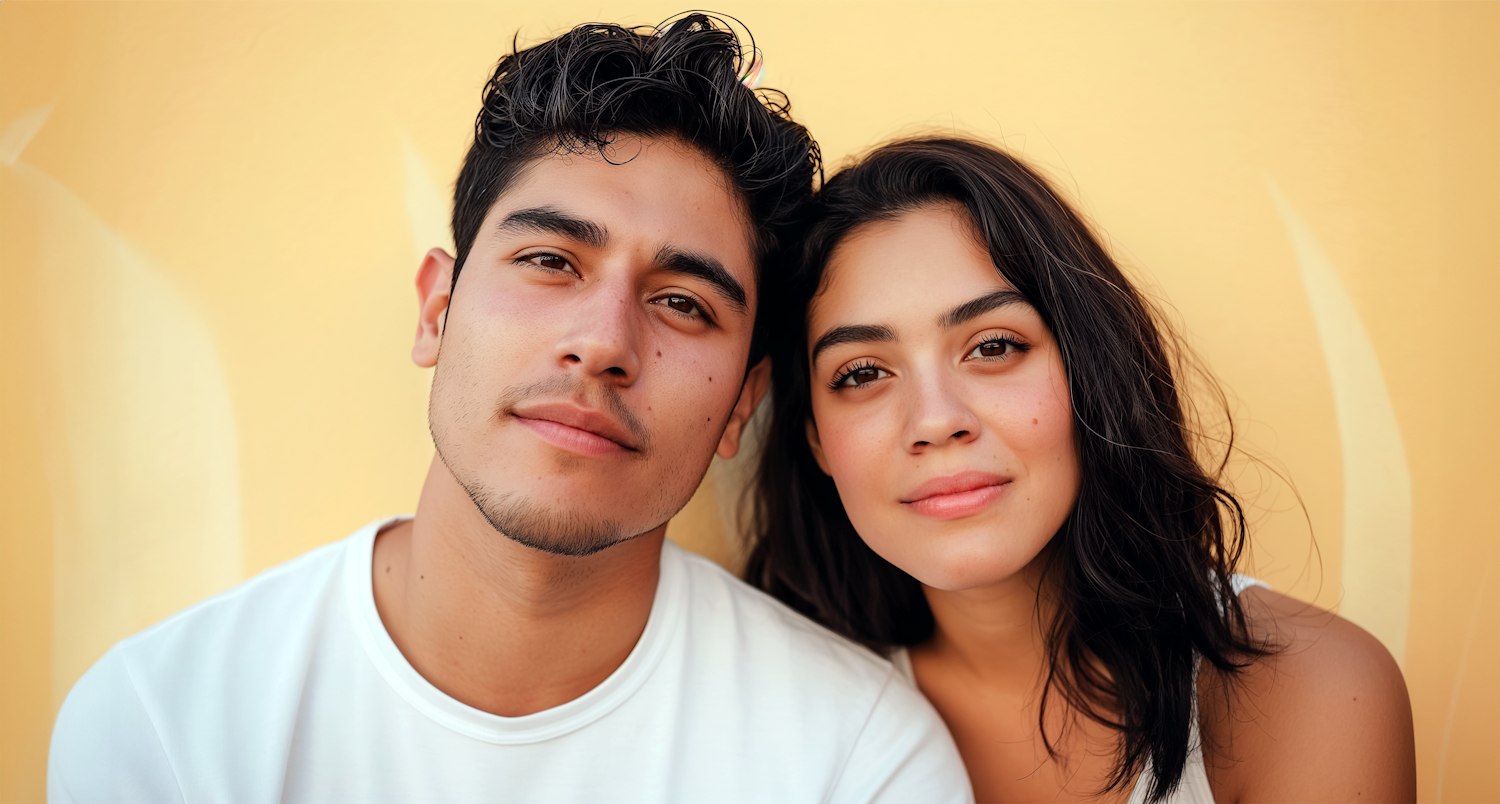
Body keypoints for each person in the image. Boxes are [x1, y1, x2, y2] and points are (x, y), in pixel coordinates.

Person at [47, 17, 972, 803]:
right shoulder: (163, 721)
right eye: (550, 262)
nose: (604, 342)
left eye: (683, 302)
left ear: (743, 405)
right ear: (437, 312)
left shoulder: (858, 763)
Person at [746, 137, 1417, 804]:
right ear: (815, 439)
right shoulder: (779, 714)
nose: (933, 420)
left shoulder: (1310, 692)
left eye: (993, 347)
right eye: (862, 373)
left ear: (1089, 373)